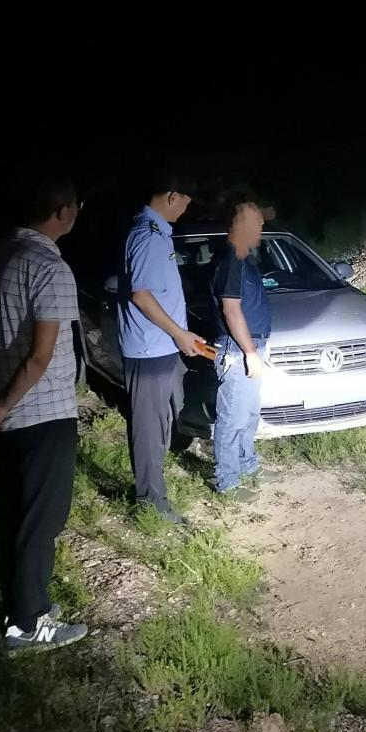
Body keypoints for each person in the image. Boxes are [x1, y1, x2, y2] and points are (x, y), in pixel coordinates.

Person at [0, 177, 88, 655]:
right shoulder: (50, 267)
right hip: (42, 410)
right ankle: (30, 623)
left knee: (15, 517)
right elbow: (40, 356)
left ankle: (18, 609)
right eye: (76, 206)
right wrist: (5, 402)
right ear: (63, 211)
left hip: (4, 409)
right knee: (40, 522)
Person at [117, 170, 208, 525]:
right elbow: (141, 295)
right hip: (148, 349)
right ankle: (149, 502)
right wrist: (180, 334)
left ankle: (154, 488)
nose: (184, 210)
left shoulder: (157, 232)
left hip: (162, 344)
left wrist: (182, 334)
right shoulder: (147, 234)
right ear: (172, 196)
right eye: (184, 203)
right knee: (149, 427)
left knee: (163, 420)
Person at [209, 201, 274, 499]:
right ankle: (227, 481)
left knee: (247, 415)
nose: (261, 228)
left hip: (251, 347)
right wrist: (249, 352)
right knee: (232, 418)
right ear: (242, 225)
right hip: (237, 351)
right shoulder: (231, 260)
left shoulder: (244, 259)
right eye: (257, 223)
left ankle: (247, 465)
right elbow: (231, 310)